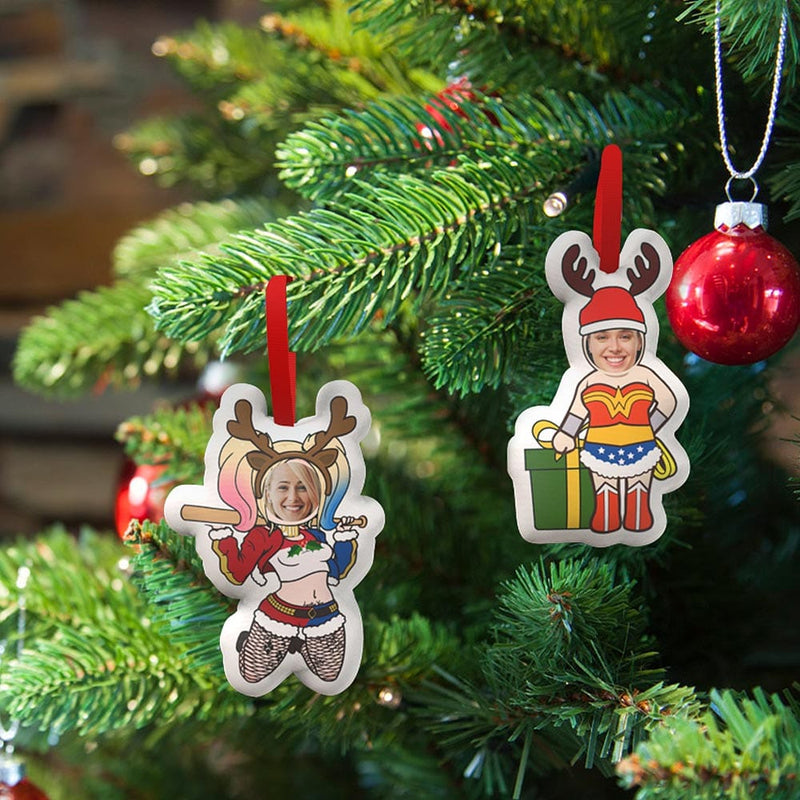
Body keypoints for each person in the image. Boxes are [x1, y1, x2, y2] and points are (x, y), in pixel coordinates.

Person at [207, 398, 361, 684]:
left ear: (315, 492)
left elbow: (338, 572)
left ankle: (298, 650)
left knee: (330, 674)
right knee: (252, 674)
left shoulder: (317, 536)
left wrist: (343, 539)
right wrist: (224, 538)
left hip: (325, 618)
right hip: (277, 619)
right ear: (267, 493)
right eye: (283, 487)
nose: (293, 497)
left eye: (302, 486)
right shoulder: (263, 536)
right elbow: (238, 573)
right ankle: (249, 642)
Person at [551, 290, 677, 533]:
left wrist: (650, 426)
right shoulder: (588, 382)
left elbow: (667, 401)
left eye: (625, 336)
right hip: (600, 448)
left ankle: (638, 516)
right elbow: (576, 412)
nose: (615, 347)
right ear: (588, 343)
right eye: (602, 337)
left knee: (638, 487)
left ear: (639, 341)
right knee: (604, 487)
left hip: (640, 447)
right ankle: (605, 517)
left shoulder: (645, 375)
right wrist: (566, 433)